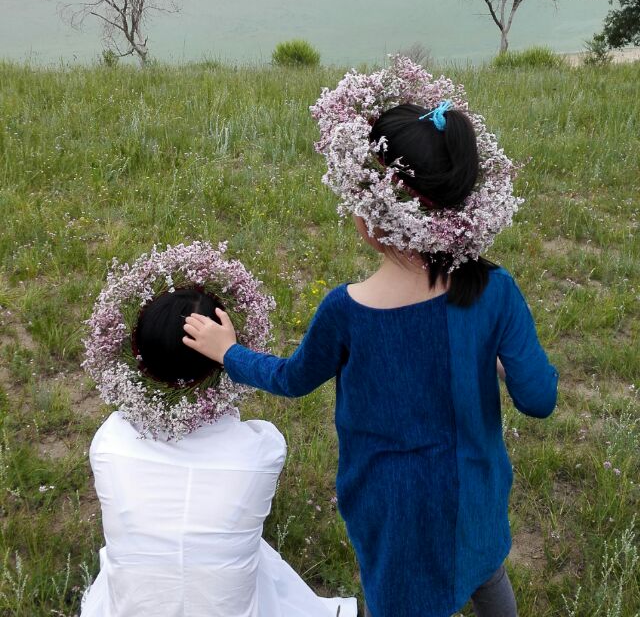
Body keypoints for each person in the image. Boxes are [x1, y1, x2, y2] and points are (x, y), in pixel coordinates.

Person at [183, 104, 558, 617]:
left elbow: (291, 379)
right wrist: (505, 361)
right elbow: (538, 399)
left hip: (393, 511)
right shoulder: (496, 290)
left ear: (367, 218)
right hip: (477, 490)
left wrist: (228, 352)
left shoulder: (347, 311)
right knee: (485, 568)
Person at [81, 288, 357, 617]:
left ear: (139, 361)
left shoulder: (109, 442)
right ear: (219, 370)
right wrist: (232, 353)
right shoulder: (263, 449)